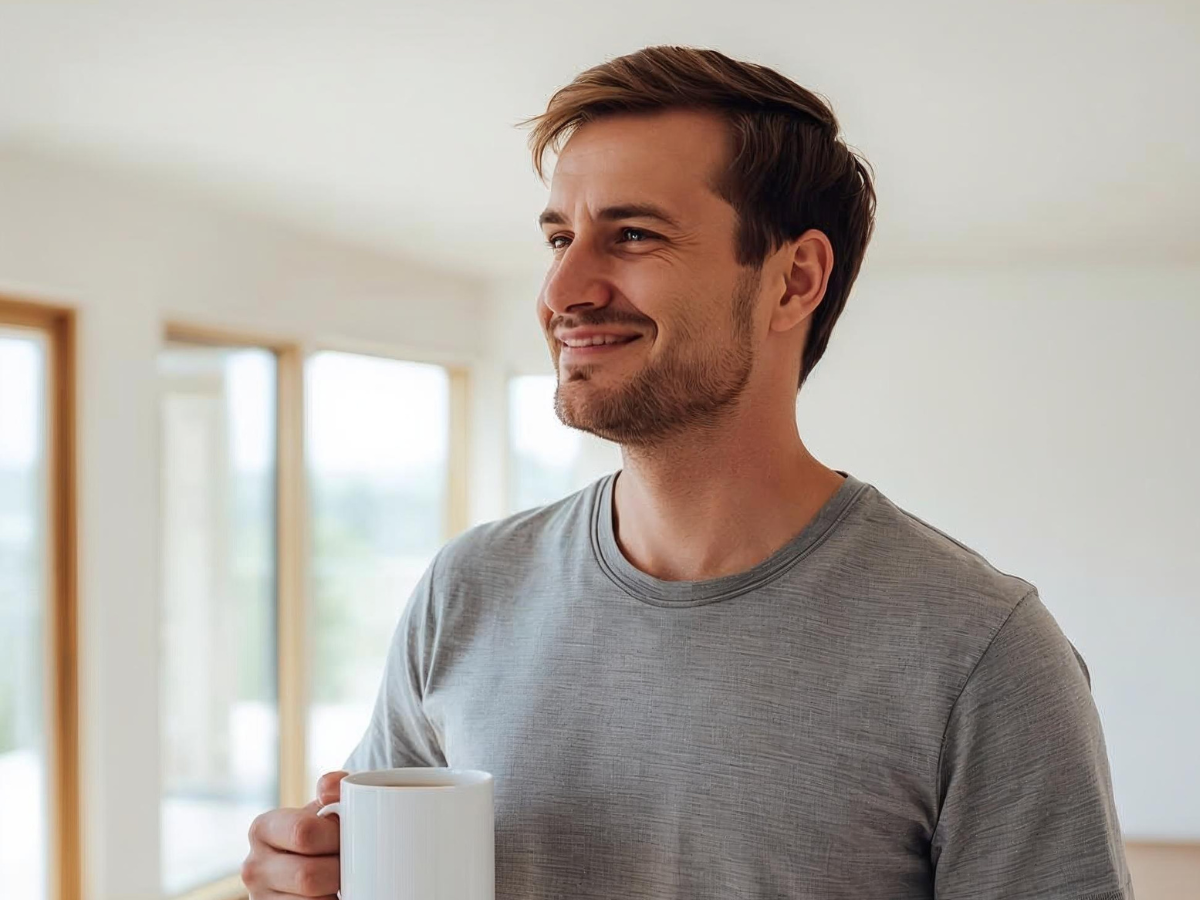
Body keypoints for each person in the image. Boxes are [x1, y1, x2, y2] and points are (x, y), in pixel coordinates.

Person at [242, 46, 1132, 899]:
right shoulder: (467, 587)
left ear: (794, 281)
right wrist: (306, 880)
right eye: (559, 238)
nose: (563, 291)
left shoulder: (980, 649)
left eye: (632, 234)